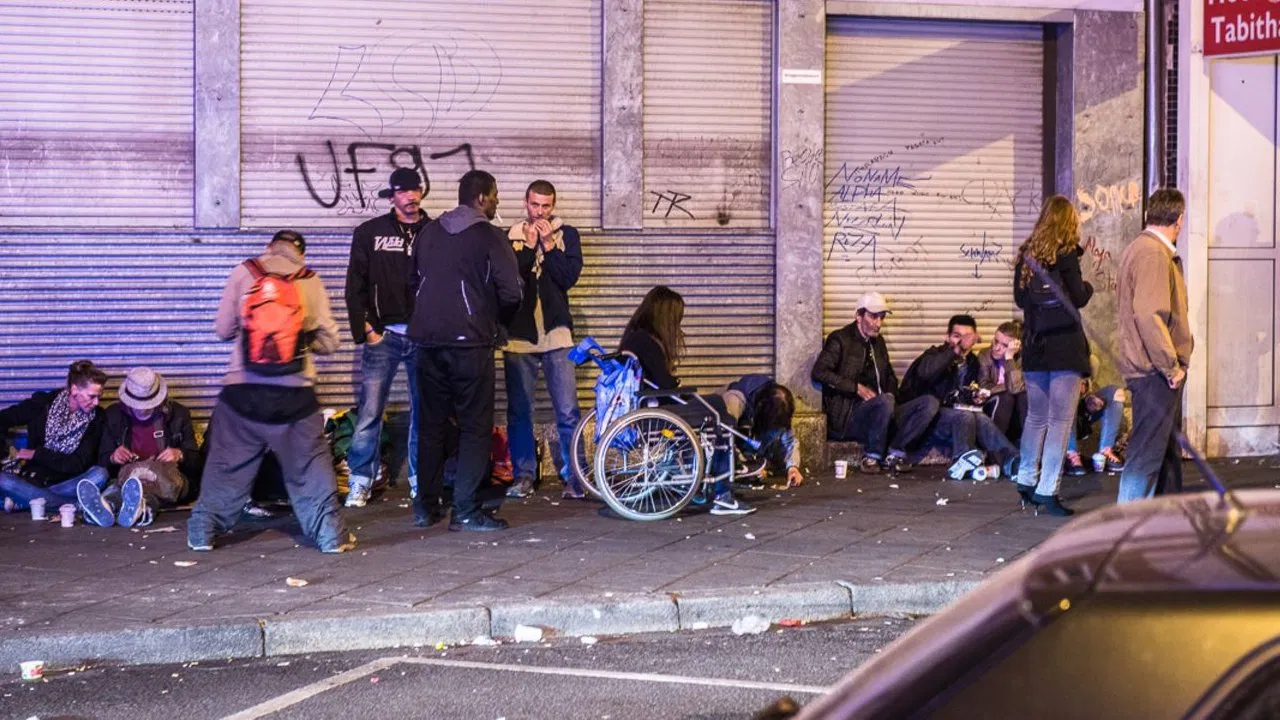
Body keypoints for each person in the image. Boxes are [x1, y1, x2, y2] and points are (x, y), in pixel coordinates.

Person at [188, 230, 352, 553]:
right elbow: (331, 342)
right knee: (309, 467)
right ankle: (330, 535)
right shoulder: (309, 279)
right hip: (295, 397)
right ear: (300, 254)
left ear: (268, 248)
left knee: (226, 465)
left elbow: (222, 329)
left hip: (242, 394)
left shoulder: (244, 272)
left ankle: (202, 532)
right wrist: (302, 339)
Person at [408, 170, 522, 532]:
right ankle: (466, 510)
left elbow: (414, 279)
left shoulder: (427, 232)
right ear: (483, 198)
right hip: (471, 343)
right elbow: (512, 292)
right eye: (496, 195)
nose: (499, 201)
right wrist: (494, 321)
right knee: (475, 426)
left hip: (425, 341)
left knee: (430, 425)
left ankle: (425, 508)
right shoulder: (489, 236)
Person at [618, 285, 756, 515]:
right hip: (655, 413)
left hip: (648, 408)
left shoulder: (635, 337)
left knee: (714, 406)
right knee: (718, 411)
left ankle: (712, 476)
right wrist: (681, 390)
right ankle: (722, 491)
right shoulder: (647, 342)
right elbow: (665, 385)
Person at [342, 168, 432, 508]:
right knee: (370, 411)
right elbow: (356, 285)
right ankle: (360, 480)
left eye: (415, 190)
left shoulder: (433, 231)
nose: (410, 197)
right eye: (403, 191)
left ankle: (419, 480)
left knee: (424, 412)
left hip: (424, 336)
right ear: (392, 195)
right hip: (385, 335)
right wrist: (367, 329)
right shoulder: (370, 232)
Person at [1012, 195, 1094, 516]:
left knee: (1036, 418)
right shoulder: (1067, 254)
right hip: (1064, 346)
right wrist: (1088, 286)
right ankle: (1047, 489)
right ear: (1068, 222)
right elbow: (1078, 297)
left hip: (1034, 346)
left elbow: (1020, 300)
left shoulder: (1027, 256)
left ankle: (1026, 480)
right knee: (1060, 420)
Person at [503, 180, 585, 500]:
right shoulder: (509, 235)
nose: (540, 211)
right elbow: (508, 281)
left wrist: (549, 247)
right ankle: (523, 474)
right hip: (519, 338)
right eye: (535, 205)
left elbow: (568, 279)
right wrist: (526, 248)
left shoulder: (568, 235)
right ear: (526, 203)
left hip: (557, 335)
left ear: (554, 206)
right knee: (519, 410)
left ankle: (575, 475)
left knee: (567, 410)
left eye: (546, 206)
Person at [1116, 188, 1192, 503]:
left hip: (1151, 370)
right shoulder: (1152, 253)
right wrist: (1170, 366)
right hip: (1154, 372)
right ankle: (1127, 529)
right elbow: (1149, 314)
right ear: (1179, 219)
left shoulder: (1143, 249)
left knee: (1162, 453)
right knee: (1147, 454)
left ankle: (1163, 521)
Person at [810, 292, 934, 475]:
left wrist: (893, 395)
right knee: (885, 402)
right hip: (850, 416)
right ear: (858, 316)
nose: (878, 323)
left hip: (883, 409)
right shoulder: (840, 339)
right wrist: (855, 388)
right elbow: (820, 372)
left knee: (929, 403)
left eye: (881, 318)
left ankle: (895, 453)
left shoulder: (878, 342)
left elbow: (889, 376)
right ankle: (872, 456)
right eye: (873, 317)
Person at [900, 315, 1021, 479]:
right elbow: (926, 374)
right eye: (957, 336)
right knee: (964, 416)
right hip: (929, 416)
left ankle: (1011, 461)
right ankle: (961, 458)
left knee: (980, 418)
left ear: (975, 338)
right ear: (947, 337)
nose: (961, 341)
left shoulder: (972, 362)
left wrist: (975, 397)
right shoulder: (934, 354)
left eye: (967, 337)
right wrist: (953, 351)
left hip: (956, 416)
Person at [79, 367, 201, 528]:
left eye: (148, 404)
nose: (142, 409)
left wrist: (180, 454)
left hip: (169, 479)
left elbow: (197, 461)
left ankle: (116, 505)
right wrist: (113, 457)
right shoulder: (114, 416)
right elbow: (101, 460)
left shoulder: (178, 414)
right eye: (137, 404)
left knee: (150, 488)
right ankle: (129, 509)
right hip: (128, 478)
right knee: (125, 485)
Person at [0, 361, 109, 513]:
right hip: (35, 480)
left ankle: (27, 501)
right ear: (74, 389)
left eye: (99, 396)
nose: (96, 403)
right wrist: (5, 451)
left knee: (100, 474)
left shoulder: (97, 418)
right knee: (3, 480)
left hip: (68, 482)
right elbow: (4, 418)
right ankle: (74, 505)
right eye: (92, 396)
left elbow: (77, 464)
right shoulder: (43, 403)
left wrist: (37, 454)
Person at [722, 374, 804, 487]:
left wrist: (793, 467)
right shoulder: (734, 400)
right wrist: (748, 466)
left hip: (758, 454)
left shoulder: (779, 407)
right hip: (734, 457)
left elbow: (789, 441)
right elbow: (724, 440)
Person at [976, 320, 1027, 442]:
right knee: (1007, 396)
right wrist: (1009, 387)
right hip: (995, 406)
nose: (996, 347)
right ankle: (995, 448)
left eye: (1005, 346)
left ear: (1017, 347)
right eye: (996, 341)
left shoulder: (1023, 360)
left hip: (1017, 412)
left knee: (1023, 396)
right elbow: (984, 386)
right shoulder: (985, 355)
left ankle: (1027, 446)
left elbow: (1017, 389)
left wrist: (1009, 358)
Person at [1065, 382, 1126, 475]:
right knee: (1068, 393)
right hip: (1057, 409)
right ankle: (1071, 454)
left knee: (1115, 393)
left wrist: (1087, 395)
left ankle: (1105, 451)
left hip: (1082, 406)